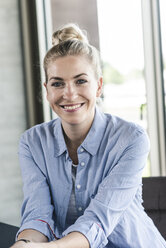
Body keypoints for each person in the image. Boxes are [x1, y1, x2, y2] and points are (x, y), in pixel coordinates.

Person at [11, 23, 166, 248]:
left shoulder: (131, 139)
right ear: (47, 90)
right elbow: (38, 215)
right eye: (58, 83)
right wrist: (25, 243)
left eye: (80, 81)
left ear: (99, 86)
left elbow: (98, 222)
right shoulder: (32, 143)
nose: (69, 93)